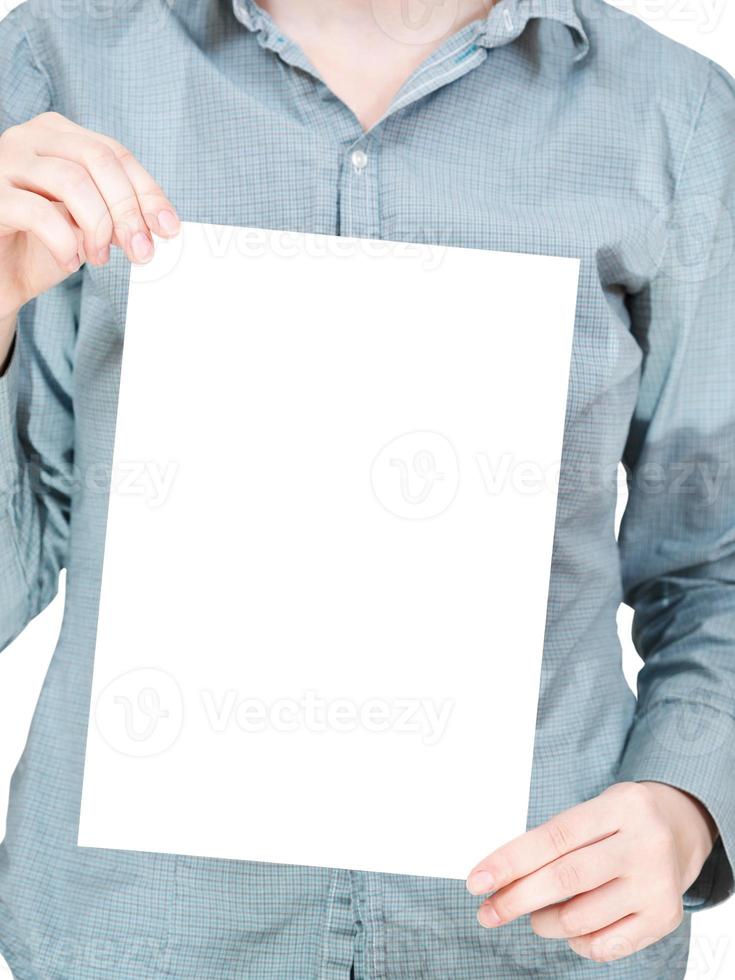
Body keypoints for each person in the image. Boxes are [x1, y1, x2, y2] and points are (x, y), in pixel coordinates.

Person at [0, 0, 733, 976]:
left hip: (528, 938)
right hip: (141, 936)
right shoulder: (58, 64)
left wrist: (686, 803)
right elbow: (23, 544)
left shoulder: (671, 113)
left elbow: (714, 558)